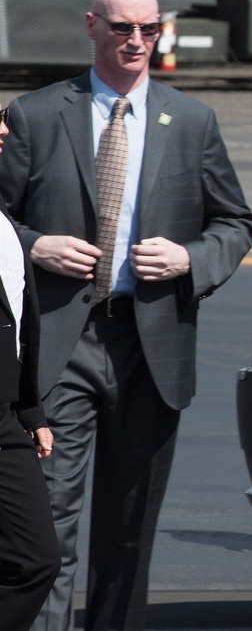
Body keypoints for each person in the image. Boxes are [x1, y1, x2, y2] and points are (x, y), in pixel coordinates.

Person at [0, 0, 252, 631]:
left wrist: (190, 260)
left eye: (150, 28)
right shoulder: (36, 115)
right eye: (123, 28)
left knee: (130, 526)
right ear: (92, 26)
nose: (138, 40)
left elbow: (235, 224)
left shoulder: (192, 121)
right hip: (62, 345)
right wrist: (34, 246)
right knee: (49, 528)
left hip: (151, 344)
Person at [0, 103, 60, 631]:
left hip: (6, 419)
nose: (3, 128)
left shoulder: (5, 224)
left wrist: (30, 407)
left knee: (36, 559)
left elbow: (19, 319)